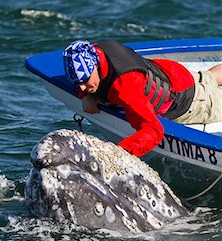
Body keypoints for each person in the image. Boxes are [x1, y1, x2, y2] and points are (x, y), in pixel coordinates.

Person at [62, 39, 222, 157]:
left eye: (85, 81)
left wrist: (116, 154)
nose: (81, 87)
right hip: (175, 74)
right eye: (77, 83)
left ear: (95, 66)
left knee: (209, 89)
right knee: (208, 78)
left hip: (191, 102)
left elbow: (154, 131)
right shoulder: (95, 50)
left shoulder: (126, 87)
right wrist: (86, 94)